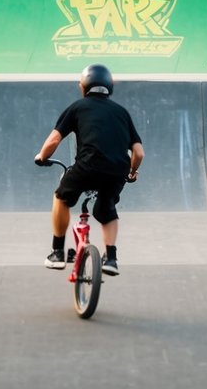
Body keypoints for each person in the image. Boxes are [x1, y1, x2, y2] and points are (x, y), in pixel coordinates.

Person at [35, 64, 144, 276]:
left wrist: (42, 157)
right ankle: (111, 258)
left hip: (87, 166)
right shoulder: (121, 112)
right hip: (117, 171)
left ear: (83, 86)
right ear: (109, 87)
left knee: (61, 198)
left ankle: (57, 252)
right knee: (107, 209)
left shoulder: (78, 107)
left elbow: (54, 139)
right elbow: (139, 153)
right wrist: (131, 172)